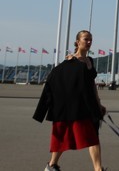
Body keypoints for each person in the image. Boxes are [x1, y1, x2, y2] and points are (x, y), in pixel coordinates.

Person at [33, 30, 107, 171]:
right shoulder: (70, 62)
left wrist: (98, 103)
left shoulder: (89, 61)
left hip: (87, 105)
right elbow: (61, 83)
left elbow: (91, 85)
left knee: (93, 136)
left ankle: (98, 169)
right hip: (74, 107)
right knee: (64, 135)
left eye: (91, 39)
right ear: (78, 42)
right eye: (86, 39)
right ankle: (52, 165)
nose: (89, 42)